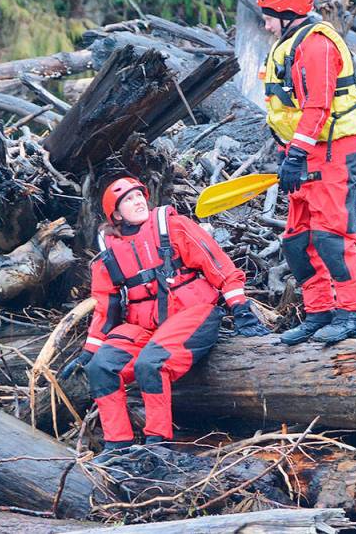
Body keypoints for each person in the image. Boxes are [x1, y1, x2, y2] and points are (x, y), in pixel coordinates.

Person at [60, 176, 268, 456]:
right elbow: (105, 307)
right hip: (144, 327)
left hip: (193, 314)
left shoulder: (173, 226)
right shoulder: (109, 253)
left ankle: (158, 444)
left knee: (151, 364)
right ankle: (117, 446)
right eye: (129, 200)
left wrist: (240, 309)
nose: (138, 202)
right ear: (117, 214)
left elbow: (219, 265)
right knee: (101, 368)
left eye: (139, 196)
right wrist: (88, 353)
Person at [257, 0, 356, 346]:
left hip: (333, 151)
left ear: (288, 14)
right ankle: (319, 312)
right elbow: (286, 108)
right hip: (303, 152)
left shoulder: (317, 46)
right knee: (298, 240)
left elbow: (318, 106)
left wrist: (297, 153)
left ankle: (352, 314)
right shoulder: (289, 42)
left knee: (330, 236)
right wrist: (285, 154)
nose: (266, 23)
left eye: (270, 16)